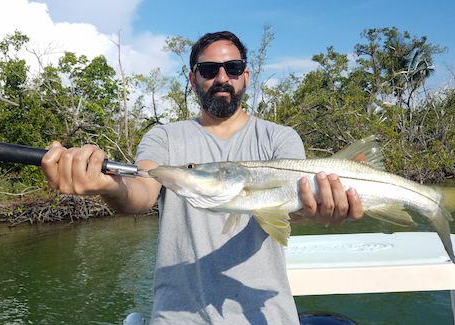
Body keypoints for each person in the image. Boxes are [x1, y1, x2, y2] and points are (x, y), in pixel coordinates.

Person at [41, 31, 364, 324]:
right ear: (193, 79)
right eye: (209, 70)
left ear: (246, 76)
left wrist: (317, 210)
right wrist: (106, 185)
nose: (222, 77)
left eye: (233, 68)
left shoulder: (280, 137)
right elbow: (141, 190)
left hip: (267, 315)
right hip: (178, 316)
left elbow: (291, 208)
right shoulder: (164, 137)